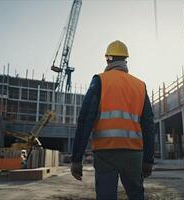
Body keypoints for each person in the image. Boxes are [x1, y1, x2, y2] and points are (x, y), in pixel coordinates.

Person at [71, 40, 155, 200]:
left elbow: (85, 120)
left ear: (108, 59)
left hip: (105, 151)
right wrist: (148, 160)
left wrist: (77, 158)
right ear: (125, 60)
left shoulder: (100, 81)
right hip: (133, 153)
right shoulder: (140, 85)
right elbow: (149, 125)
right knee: (136, 195)